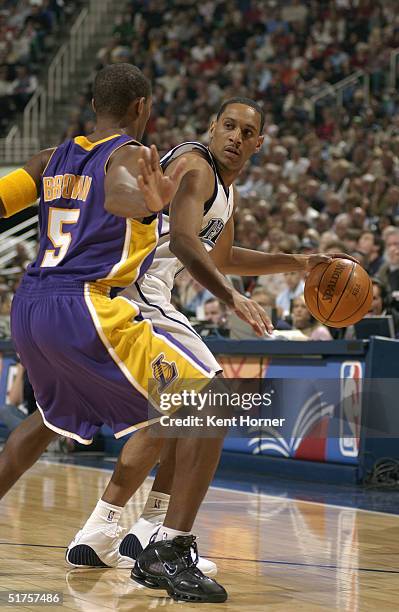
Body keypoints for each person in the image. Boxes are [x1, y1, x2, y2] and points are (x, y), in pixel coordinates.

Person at [65, 97, 353, 584]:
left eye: (247, 132)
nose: (236, 137)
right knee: (210, 400)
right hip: (131, 290)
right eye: (229, 126)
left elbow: (219, 255)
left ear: (259, 143)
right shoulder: (196, 167)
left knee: (180, 409)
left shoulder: (224, 190)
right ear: (212, 127)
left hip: (144, 294)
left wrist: (296, 262)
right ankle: (154, 538)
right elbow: (181, 242)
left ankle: (125, 531)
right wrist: (233, 298)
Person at [0, 63, 237, 603]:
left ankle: (124, 528)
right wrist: (147, 202)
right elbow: (121, 196)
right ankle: (168, 550)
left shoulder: (49, 159)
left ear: (91, 105)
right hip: (85, 304)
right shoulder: (130, 152)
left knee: (48, 420)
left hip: (30, 305)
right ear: (141, 108)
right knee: (214, 399)